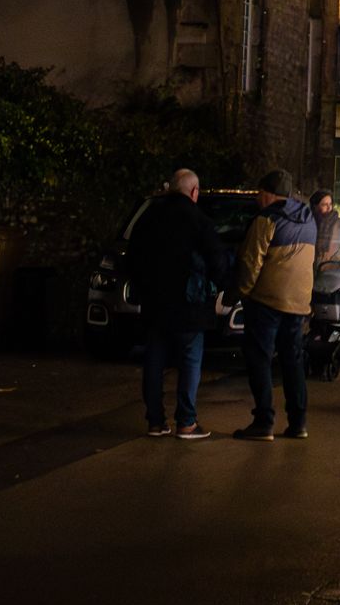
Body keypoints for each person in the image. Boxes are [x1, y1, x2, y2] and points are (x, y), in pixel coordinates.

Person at [125, 168, 231, 439]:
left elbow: (132, 256)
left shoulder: (148, 218)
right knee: (190, 361)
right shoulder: (199, 220)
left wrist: (142, 288)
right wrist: (220, 286)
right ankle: (187, 421)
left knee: (154, 360)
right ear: (194, 192)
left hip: (155, 303)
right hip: (189, 304)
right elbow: (217, 259)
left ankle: (155, 421)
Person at [233, 168, 316, 441]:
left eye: (260, 193)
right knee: (292, 362)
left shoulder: (266, 219)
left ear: (268, 194)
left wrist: (242, 291)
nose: (258, 198)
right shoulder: (308, 219)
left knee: (259, 358)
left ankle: (264, 421)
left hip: (267, 301)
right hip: (298, 302)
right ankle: (298, 423)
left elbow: (251, 261)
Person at [310, 189, 340, 271]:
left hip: (330, 268)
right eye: (324, 204)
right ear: (316, 206)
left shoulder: (338, 223)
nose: (329, 207)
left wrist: (335, 259)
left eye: (330, 204)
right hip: (311, 268)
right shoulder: (310, 222)